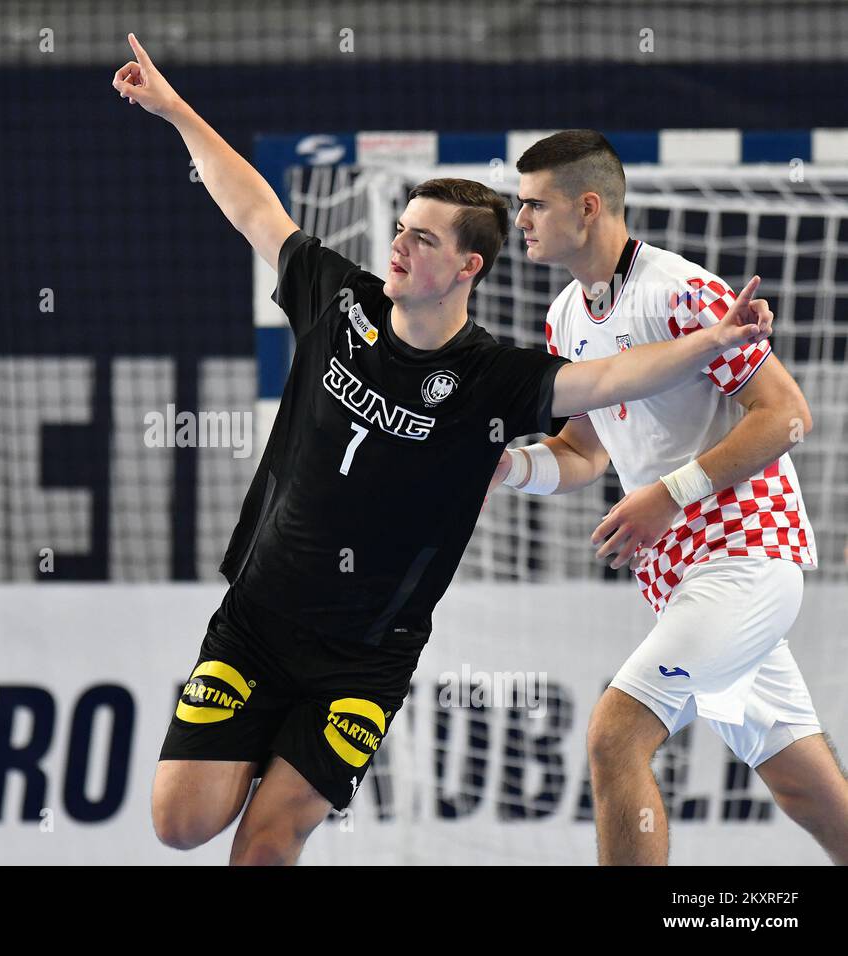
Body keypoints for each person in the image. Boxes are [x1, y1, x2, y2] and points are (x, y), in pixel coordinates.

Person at [114, 39, 772, 865]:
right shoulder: (337, 299)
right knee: (179, 823)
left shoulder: (493, 376)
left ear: (467, 265)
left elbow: (610, 378)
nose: (397, 247)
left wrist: (711, 339)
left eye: (421, 240)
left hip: (365, 658)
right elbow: (252, 207)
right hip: (256, 621)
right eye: (399, 230)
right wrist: (175, 111)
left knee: (269, 840)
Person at [498, 129, 847, 864]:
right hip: (680, 581)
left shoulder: (682, 293)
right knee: (803, 787)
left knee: (614, 735)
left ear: (587, 207)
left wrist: (670, 495)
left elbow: (787, 416)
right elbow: (582, 452)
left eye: (533, 205)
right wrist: (504, 468)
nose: (520, 221)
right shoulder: (565, 314)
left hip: (745, 560)